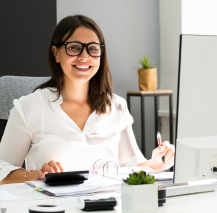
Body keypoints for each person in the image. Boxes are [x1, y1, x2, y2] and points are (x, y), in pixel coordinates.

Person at [0, 15, 175, 184]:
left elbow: (131, 164)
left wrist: (155, 163)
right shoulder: (29, 107)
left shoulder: (117, 105)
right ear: (56, 53)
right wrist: (34, 175)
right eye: (74, 47)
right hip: (55, 210)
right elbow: (2, 169)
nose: (84, 56)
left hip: (108, 209)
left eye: (93, 48)